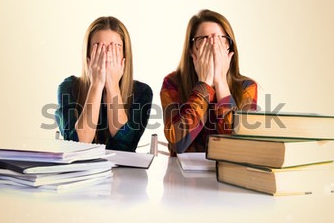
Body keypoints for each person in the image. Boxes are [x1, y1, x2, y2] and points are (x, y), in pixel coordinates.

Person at [160, 9, 257, 156]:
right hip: (183, 177)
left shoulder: (247, 87)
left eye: (220, 40)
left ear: (229, 48)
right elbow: (177, 141)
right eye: (204, 40)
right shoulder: (173, 83)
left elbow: (242, 147)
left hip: (229, 175)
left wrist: (221, 83)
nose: (213, 47)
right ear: (191, 49)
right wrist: (204, 85)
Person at [55, 16, 152, 152]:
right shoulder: (69, 87)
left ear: (125, 56)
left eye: (115, 49)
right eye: (99, 48)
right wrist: (96, 85)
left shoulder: (142, 91)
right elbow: (77, 144)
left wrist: (112, 86)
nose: (106, 56)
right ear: (88, 55)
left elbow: (126, 145)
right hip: (81, 171)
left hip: (125, 172)